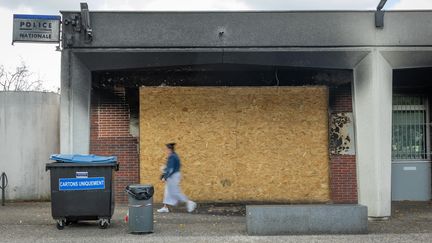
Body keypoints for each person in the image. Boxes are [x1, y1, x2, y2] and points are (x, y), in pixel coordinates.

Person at [157, 143, 197, 213]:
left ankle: (189, 203)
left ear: (170, 150)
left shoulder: (172, 157)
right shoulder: (174, 156)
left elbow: (171, 169)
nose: (166, 151)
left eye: (166, 149)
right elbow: (170, 167)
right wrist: (165, 170)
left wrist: (165, 177)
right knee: (167, 192)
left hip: (173, 176)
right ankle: (165, 207)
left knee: (175, 192)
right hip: (173, 175)